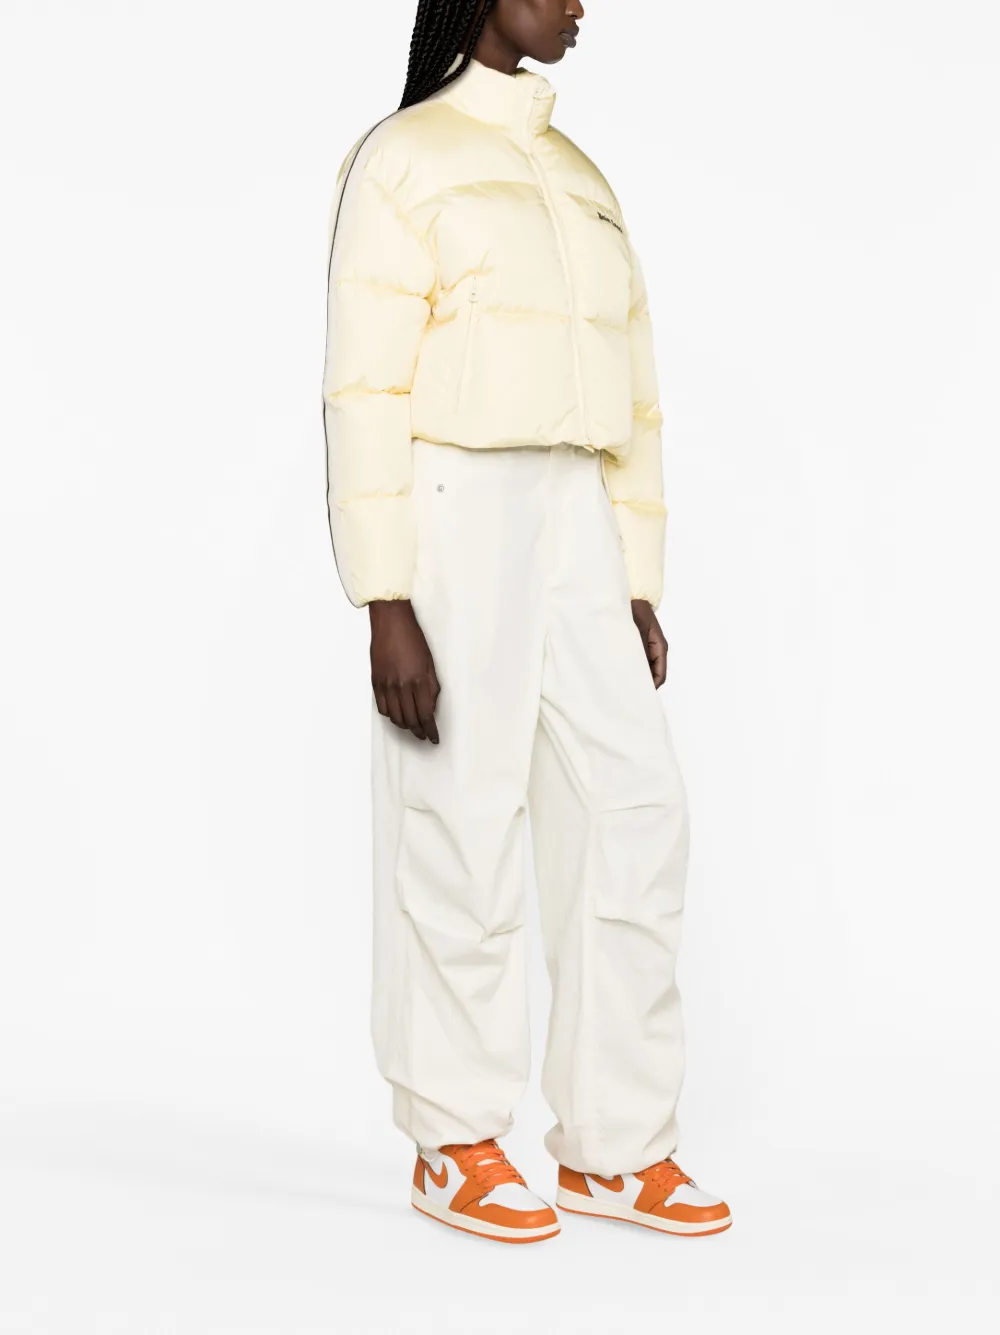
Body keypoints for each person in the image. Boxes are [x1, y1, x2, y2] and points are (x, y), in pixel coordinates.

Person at [322, 0, 731, 1245]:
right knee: (461, 815)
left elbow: (637, 395)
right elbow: (361, 385)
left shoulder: (578, 174)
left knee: (634, 811)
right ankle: (453, 1138)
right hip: (455, 502)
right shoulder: (403, 158)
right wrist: (386, 599)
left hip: (578, 517)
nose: (578, 2)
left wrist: (636, 578)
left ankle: (615, 1145)